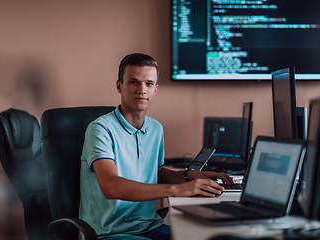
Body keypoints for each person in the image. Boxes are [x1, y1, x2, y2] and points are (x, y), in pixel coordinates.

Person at [79, 53, 233, 240]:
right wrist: (178, 190)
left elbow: (155, 172)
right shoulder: (100, 129)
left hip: (149, 227)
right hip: (110, 233)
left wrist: (187, 176)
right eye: (134, 82)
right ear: (119, 86)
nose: (142, 90)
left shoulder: (155, 128)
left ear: (155, 89)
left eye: (149, 84)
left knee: (202, 236)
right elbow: (111, 186)